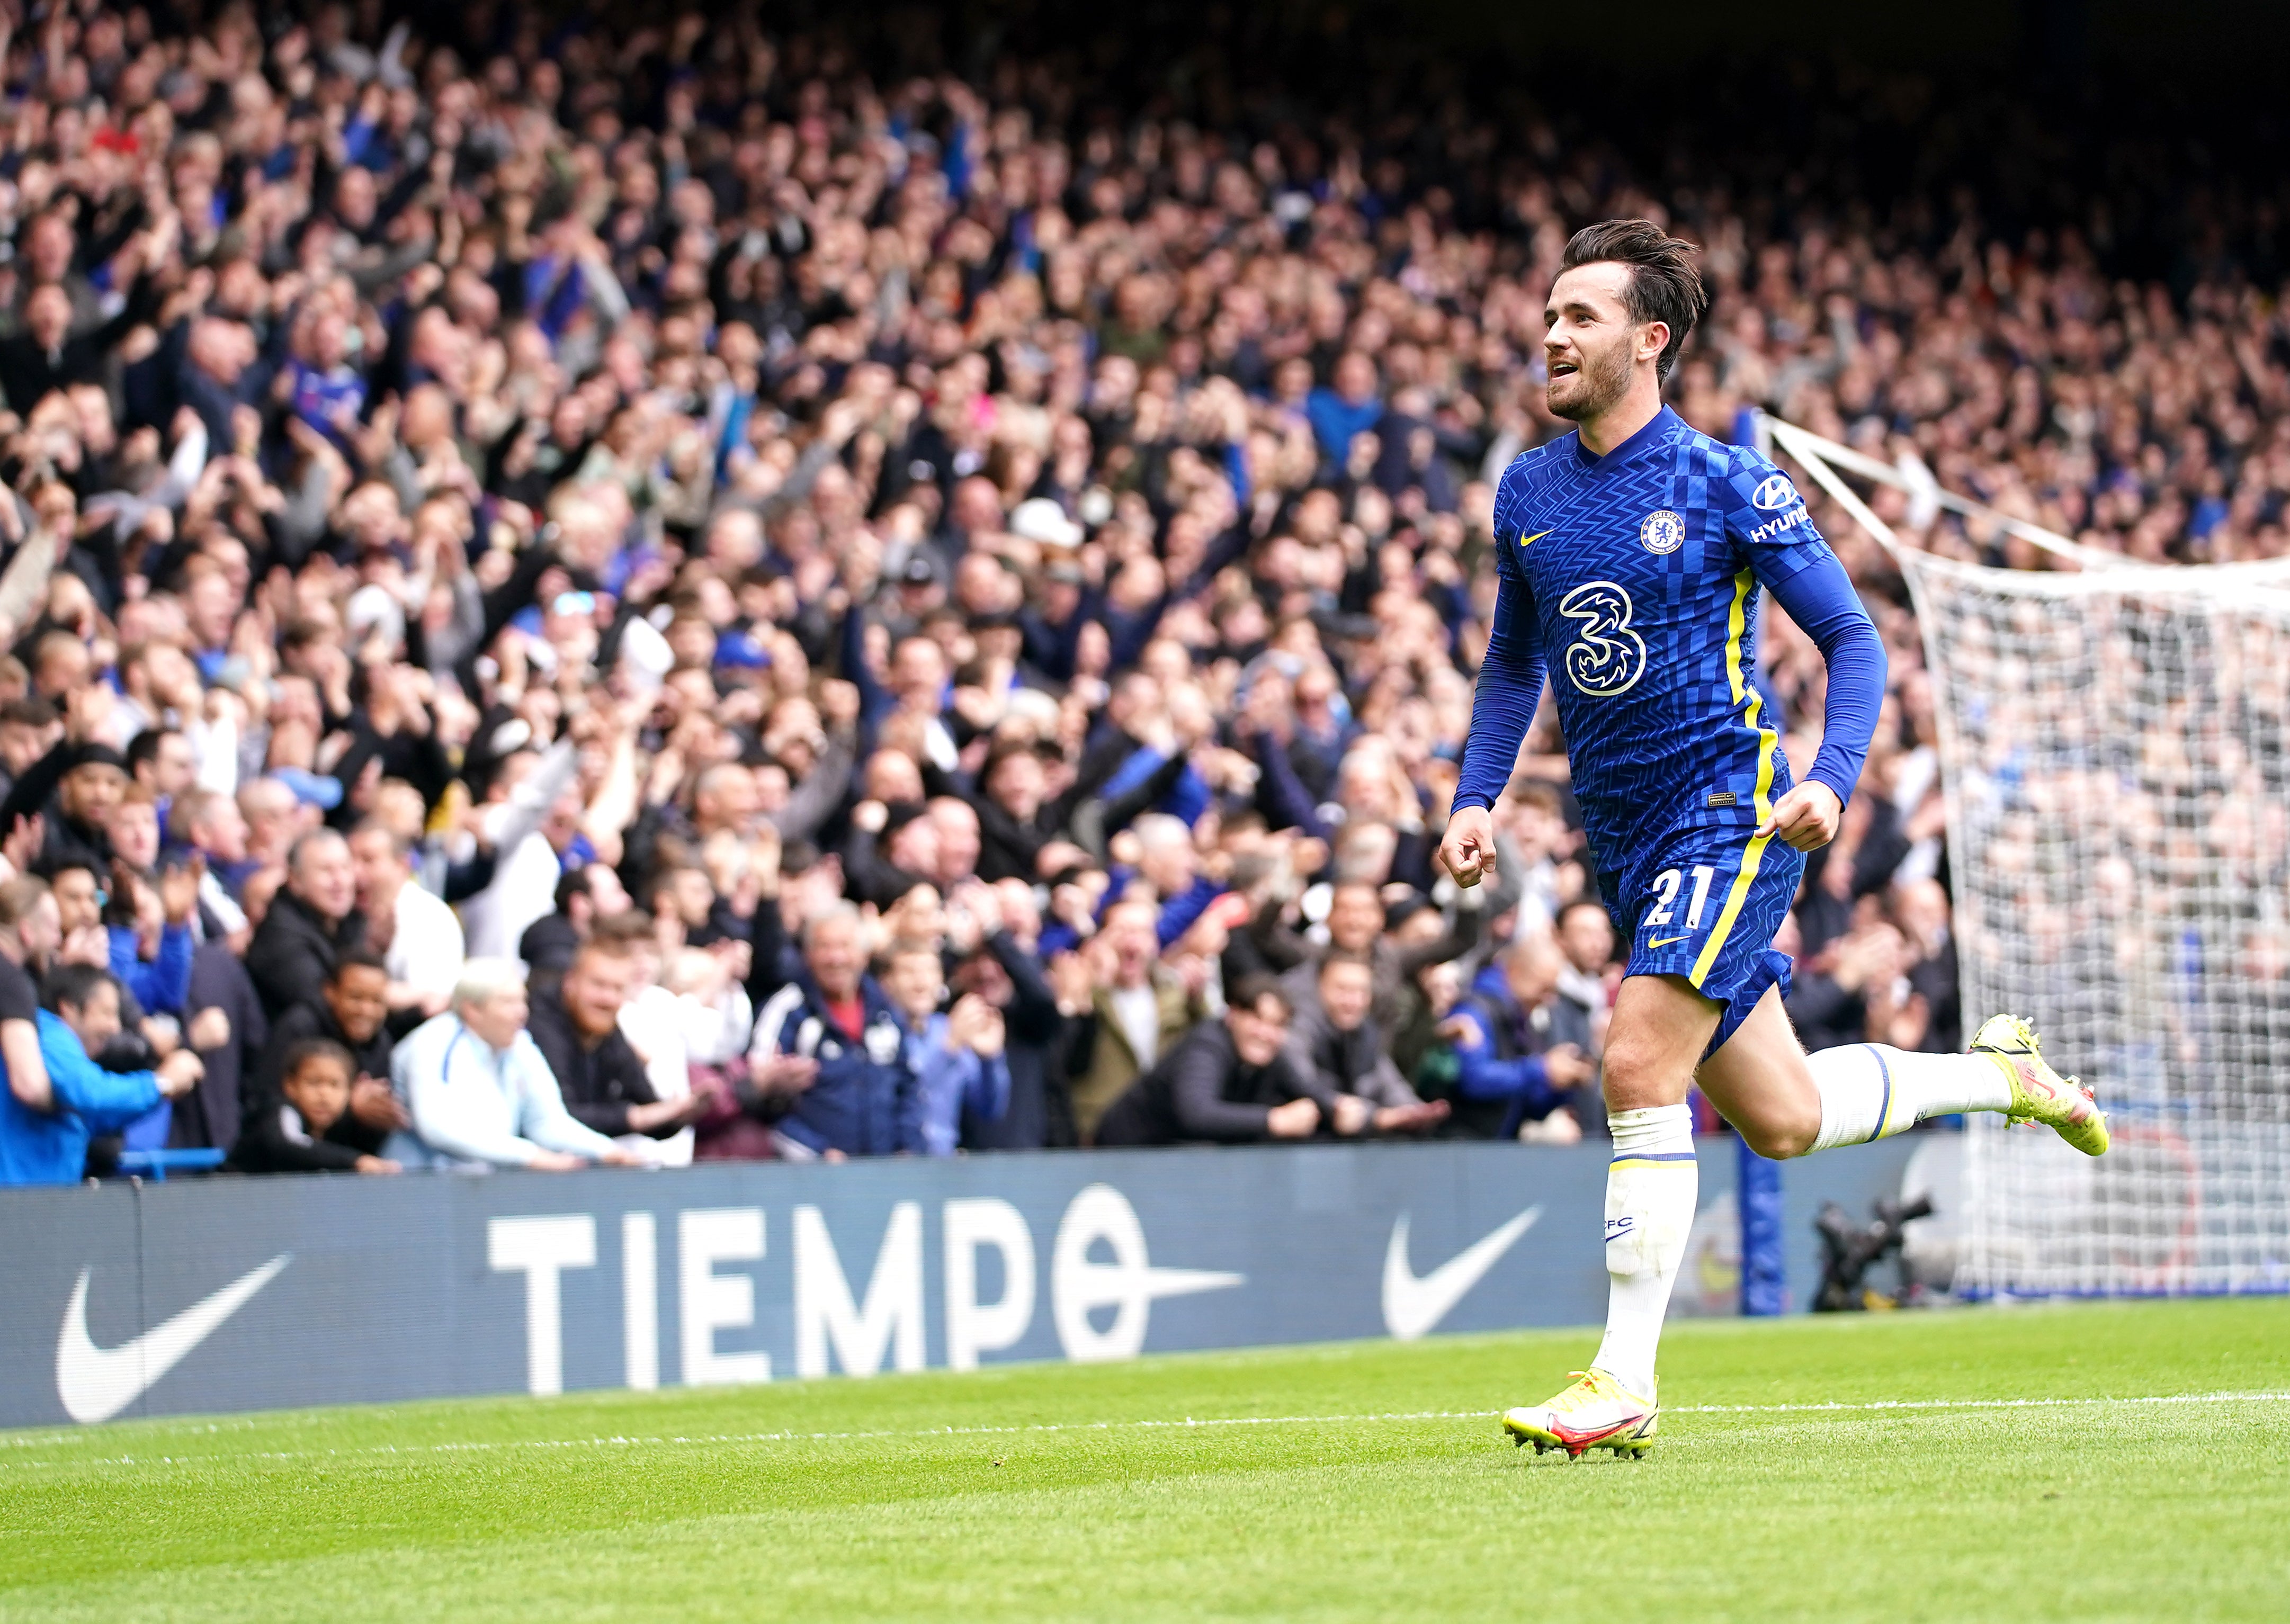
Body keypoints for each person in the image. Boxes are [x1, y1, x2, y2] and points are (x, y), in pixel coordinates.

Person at [1438, 221, 2107, 1458]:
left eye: (1577, 316)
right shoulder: (1525, 488)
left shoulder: (1724, 483)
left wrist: (1830, 782)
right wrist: (1475, 796)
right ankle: (2001, 1079)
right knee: (1783, 1119)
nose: (1549, 333)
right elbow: (1508, 663)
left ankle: (1619, 1380)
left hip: (1728, 812)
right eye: (1545, 312)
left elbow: (1852, 643)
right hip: (1624, 841)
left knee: (1636, 1062)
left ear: (1649, 341)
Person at [388, 959, 637, 1171]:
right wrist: (528, 1156)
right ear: (472, 1009)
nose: (522, 1012)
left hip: (479, 1186)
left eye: (523, 1001)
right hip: (417, 1183)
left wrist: (607, 1150)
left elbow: (546, 1122)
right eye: (508, 1002)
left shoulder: (520, 1044)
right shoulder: (434, 1043)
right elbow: (438, 1128)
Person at [0, 964, 202, 1186]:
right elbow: (89, 1091)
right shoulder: (47, 1033)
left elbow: (94, 1115)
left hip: (42, 1201)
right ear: (68, 1009)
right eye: (106, 1013)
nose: (115, 1028)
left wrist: (161, 1091)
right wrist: (160, 1083)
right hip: (16, 1202)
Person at [748, 904, 923, 1159]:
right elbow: (760, 1101)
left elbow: (909, 1085)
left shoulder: (885, 1011)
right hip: (810, 1182)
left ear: (864, 954)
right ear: (807, 954)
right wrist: (817, 1154)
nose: (836, 958)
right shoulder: (788, 1011)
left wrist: (909, 1148)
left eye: (845, 946)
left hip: (887, 1178)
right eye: (824, 947)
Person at [1095, 975, 1339, 1146]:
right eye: (1258, 1019)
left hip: (1175, 1160)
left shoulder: (1272, 1053)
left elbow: (1314, 1095)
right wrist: (1274, 1120)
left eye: (1277, 1025)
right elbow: (1198, 1114)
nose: (1266, 1033)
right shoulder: (1207, 1047)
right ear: (1233, 1016)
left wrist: (1359, 1114)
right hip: (1124, 1156)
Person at [526, 940, 707, 1147]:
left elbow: (647, 1104)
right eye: (599, 985)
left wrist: (678, 1115)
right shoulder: (539, 1026)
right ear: (570, 982)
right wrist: (634, 1117)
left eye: (618, 988)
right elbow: (557, 1117)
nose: (608, 998)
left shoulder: (608, 1028)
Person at [254, 949, 405, 1159]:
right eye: (356, 997)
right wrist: (348, 1108)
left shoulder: (380, 1043)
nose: (366, 1010)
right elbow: (267, 1106)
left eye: (377, 1001)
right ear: (331, 992)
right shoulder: (299, 1028)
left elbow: (373, 1127)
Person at [1282, 952, 1450, 1135]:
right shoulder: (1297, 1029)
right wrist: (1376, 1118)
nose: (1353, 1002)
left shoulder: (1366, 1032)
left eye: (1362, 991)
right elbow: (1305, 1085)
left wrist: (1413, 1111)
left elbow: (1389, 1082)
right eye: (1343, 990)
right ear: (1320, 987)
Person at [881, 938, 1009, 1156]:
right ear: (887, 982)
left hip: (944, 1164)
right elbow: (900, 1097)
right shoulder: (879, 1033)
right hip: (894, 1163)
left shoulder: (946, 1028)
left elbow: (990, 1109)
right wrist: (949, 1047)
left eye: (930, 972)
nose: (921, 983)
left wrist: (991, 1059)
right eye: (909, 972)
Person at [225, 1039, 401, 1176]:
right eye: (314, 1083)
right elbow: (288, 1143)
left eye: (335, 1085)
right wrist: (356, 1161)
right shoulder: (280, 1110)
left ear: (349, 1091)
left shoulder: (345, 1125)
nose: (324, 1094)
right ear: (291, 1086)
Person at [244, 829, 368, 1020]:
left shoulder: (350, 921)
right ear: (295, 880)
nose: (340, 881)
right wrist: (403, 997)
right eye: (326, 870)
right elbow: (330, 1008)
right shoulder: (279, 936)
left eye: (345, 868)